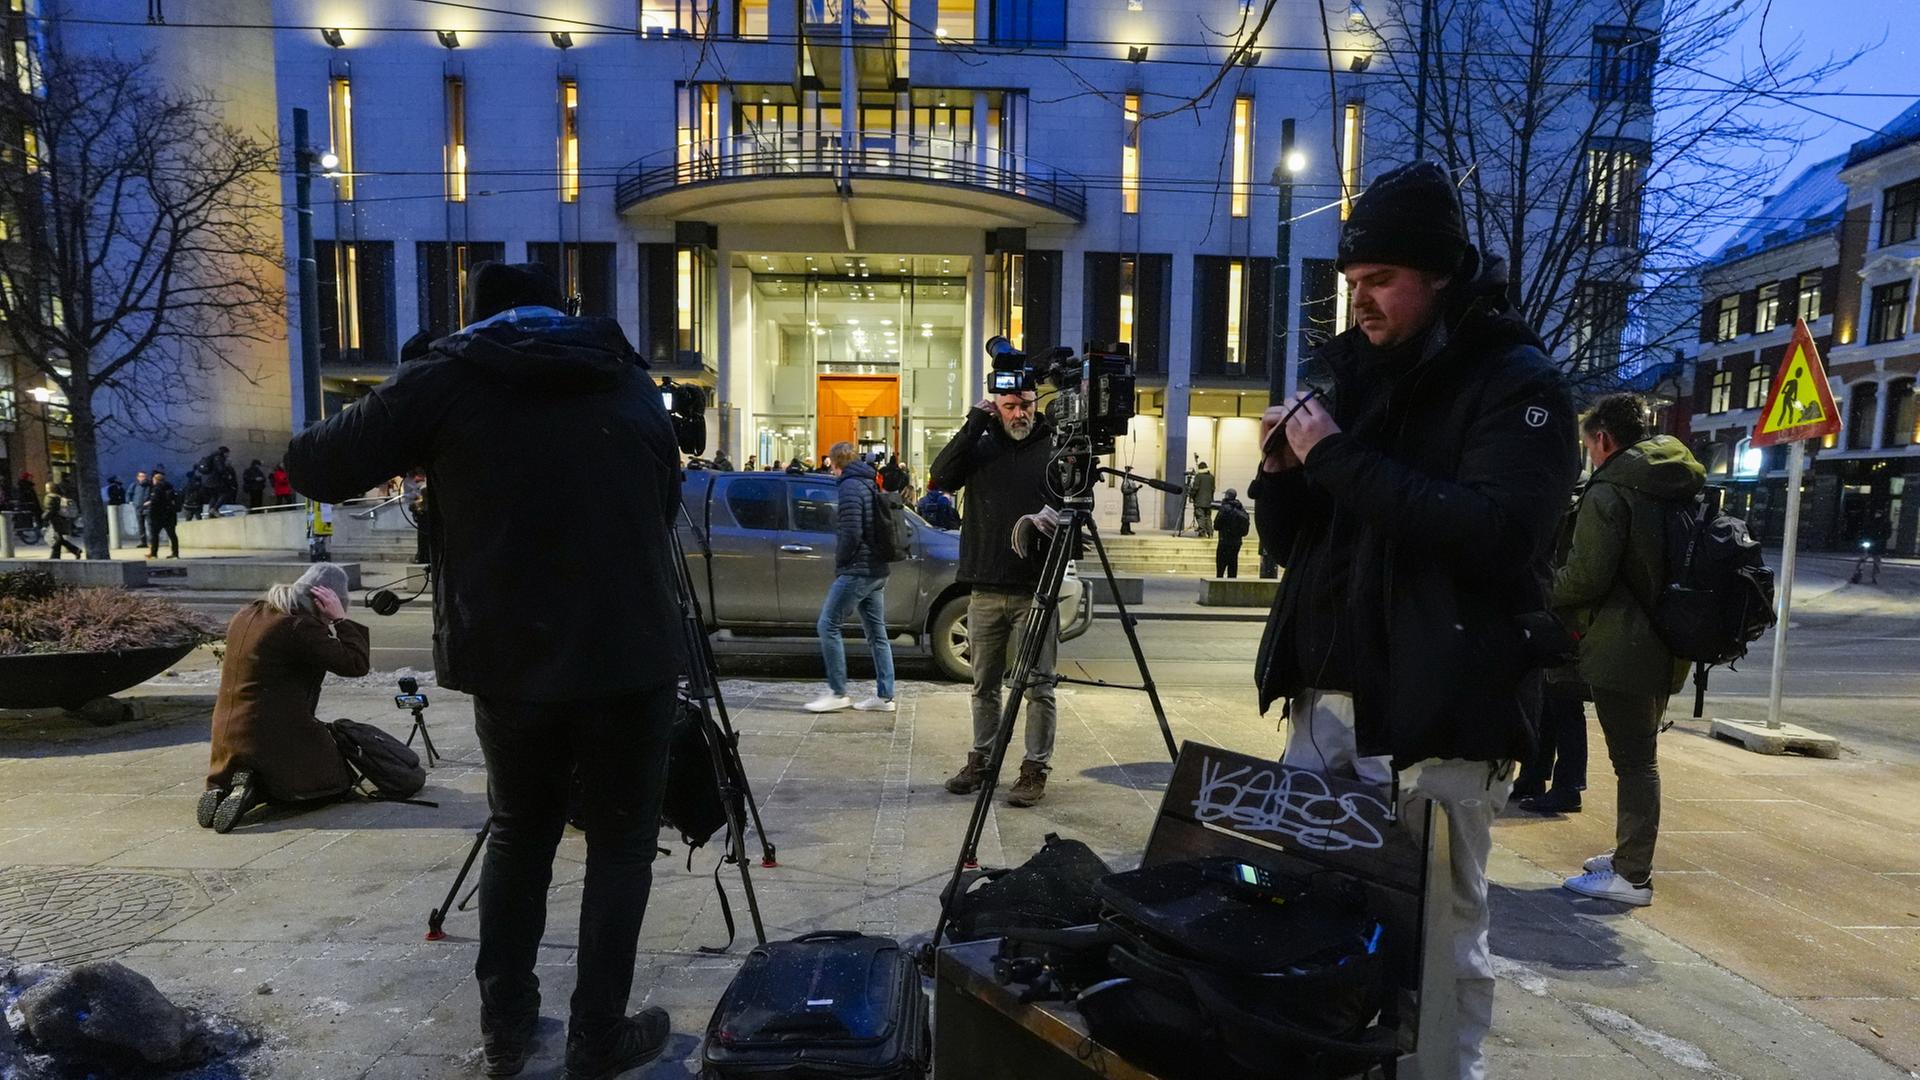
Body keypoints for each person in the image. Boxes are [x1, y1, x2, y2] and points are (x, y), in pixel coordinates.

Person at [286, 261, 686, 1079]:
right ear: (563, 307)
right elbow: (664, 502)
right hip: (629, 649)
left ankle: (507, 1030)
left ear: (472, 320)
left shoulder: (449, 378)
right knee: (620, 848)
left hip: (512, 657)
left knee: (521, 832)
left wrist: (417, 391)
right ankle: (596, 1037)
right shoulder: (626, 377)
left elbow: (314, 464)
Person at [1250, 160, 1578, 1080]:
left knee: (1439, 929)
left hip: (1440, 708)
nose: (1361, 302)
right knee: (1313, 908)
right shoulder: (1355, 379)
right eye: (1352, 283)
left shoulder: (1517, 382)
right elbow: (1298, 547)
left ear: (1440, 275)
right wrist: (1282, 477)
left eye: (1381, 280)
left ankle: (1439, 1072)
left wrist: (1338, 456)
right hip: (1329, 701)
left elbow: (1497, 536)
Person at [1551, 394, 1703, 908]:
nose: (1590, 455)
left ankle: (1632, 875)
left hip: (1625, 643)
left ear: (1604, 439)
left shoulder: (1611, 490)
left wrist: (1545, 588)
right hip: (1670, 637)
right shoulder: (1674, 479)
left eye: (1588, 444)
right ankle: (1625, 856)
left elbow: (1586, 577)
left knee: (1635, 763)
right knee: (1639, 757)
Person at [931, 388, 1064, 808]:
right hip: (985, 588)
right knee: (983, 685)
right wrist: (974, 422)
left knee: (1039, 687)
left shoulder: (1054, 446)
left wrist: (1050, 518)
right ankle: (981, 760)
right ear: (997, 409)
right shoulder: (981, 444)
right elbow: (942, 474)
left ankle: (1033, 770)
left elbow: (1079, 503)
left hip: (1035, 591)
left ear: (1035, 404)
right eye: (1009, 406)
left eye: (1025, 404)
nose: (1018, 413)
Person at [200, 564, 366, 834]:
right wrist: (340, 620)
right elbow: (355, 664)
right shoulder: (299, 626)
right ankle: (255, 790)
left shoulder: (249, 612)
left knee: (274, 763)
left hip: (226, 736)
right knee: (333, 783)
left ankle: (226, 784)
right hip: (271, 735)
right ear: (322, 600)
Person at [805, 442, 897, 714]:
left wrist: (841, 561)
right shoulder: (869, 482)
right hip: (877, 569)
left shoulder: (849, 486)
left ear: (835, 463)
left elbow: (852, 532)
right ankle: (885, 696)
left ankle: (837, 691)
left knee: (827, 625)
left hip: (859, 568)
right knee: (877, 634)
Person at [1515, 485, 1591, 815]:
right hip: (1555, 614)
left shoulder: (1580, 508)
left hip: (1567, 617)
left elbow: (1581, 570)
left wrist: (1547, 591)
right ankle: (1534, 777)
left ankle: (1568, 786)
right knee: (1546, 701)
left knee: (1565, 703)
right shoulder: (1567, 504)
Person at [1211, 488, 1249, 578]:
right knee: (1233, 563)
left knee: (1221, 564)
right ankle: (1232, 582)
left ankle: (1220, 583)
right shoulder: (1241, 509)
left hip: (1224, 541)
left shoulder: (1224, 509)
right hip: (1236, 542)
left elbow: (1216, 526)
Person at [146, 469, 181, 559]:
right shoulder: (170, 488)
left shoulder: (157, 488)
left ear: (155, 480)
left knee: (154, 535)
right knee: (172, 535)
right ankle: (175, 553)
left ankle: (154, 553)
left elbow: (155, 501)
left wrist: (148, 504)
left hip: (158, 515)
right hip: (170, 514)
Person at [43, 481, 82, 559]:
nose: (46, 489)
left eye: (47, 488)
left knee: (57, 539)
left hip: (54, 520)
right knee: (59, 538)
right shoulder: (59, 496)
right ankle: (75, 550)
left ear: (50, 489)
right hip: (62, 519)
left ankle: (55, 556)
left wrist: (44, 517)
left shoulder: (49, 497)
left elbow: (50, 510)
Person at [1852, 510, 1891, 585]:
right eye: (1876, 513)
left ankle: (1875, 577)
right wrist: (1863, 538)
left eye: (1879, 513)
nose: (1877, 514)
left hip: (1877, 545)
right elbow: (1864, 530)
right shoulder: (1871, 522)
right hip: (1870, 543)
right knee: (1863, 559)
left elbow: (1887, 534)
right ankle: (1858, 574)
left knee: (1876, 562)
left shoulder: (1885, 522)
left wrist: (1880, 539)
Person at [1189, 461, 1216, 537]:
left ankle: (1202, 532)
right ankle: (1210, 532)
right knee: (1208, 517)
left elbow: (1195, 488)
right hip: (1208, 501)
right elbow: (1213, 489)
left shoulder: (1198, 476)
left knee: (1200, 516)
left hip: (1199, 501)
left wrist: (1191, 496)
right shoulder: (1211, 477)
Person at [133, 470, 153, 548]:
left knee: (150, 525)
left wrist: (150, 501)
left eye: (144, 476)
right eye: (141, 476)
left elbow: (154, 494)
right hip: (138, 507)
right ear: (138, 477)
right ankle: (143, 542)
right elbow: (129, 493)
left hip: (147, 508)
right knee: (140, 526)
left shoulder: (150, 485)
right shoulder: (135, 485)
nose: (143, 478)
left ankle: (152, 541)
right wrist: (131, 502)